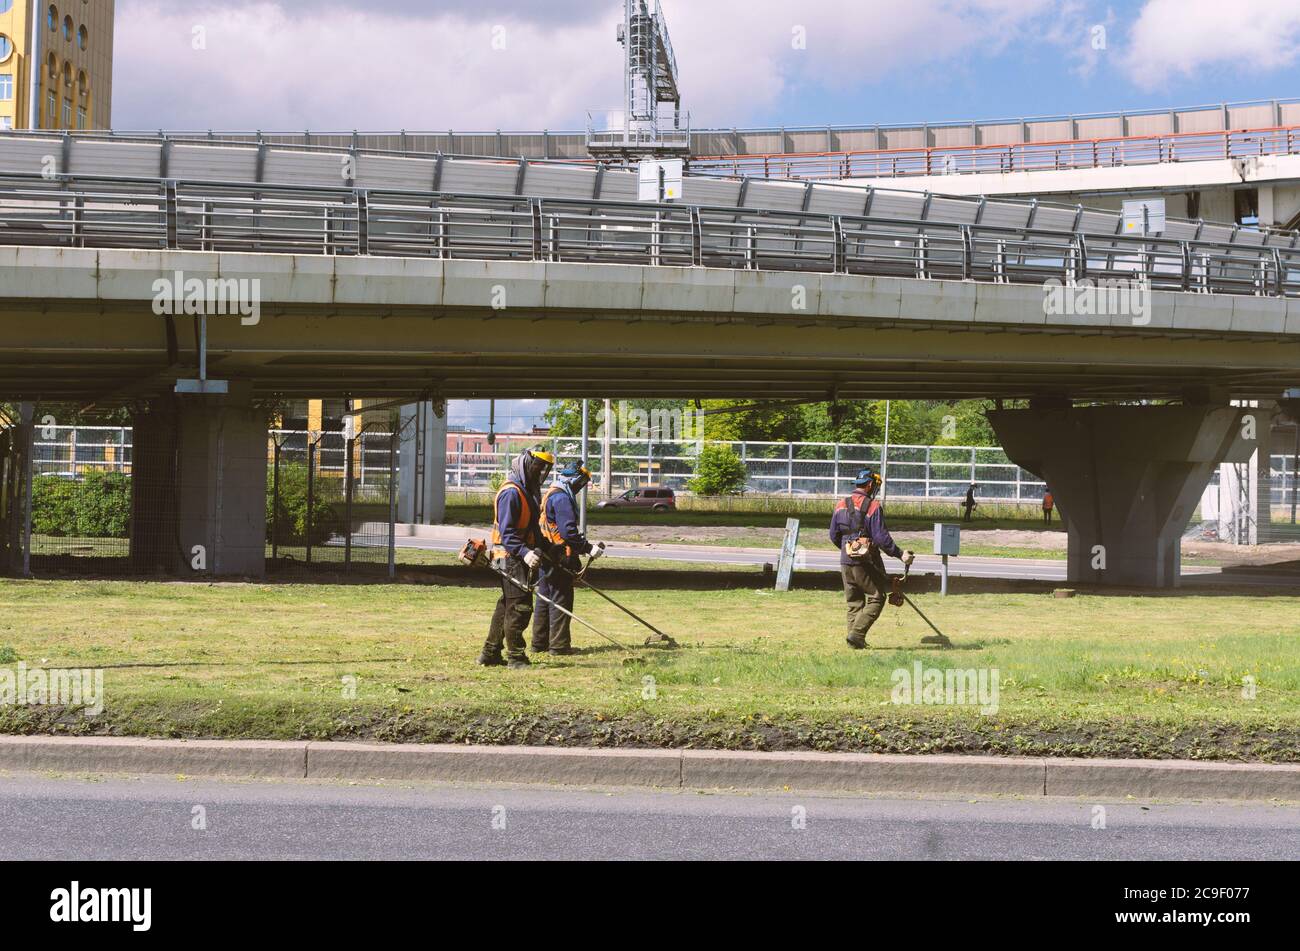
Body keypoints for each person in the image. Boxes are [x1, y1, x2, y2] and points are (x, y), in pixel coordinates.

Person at [478, 448, 555, 670]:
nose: (540, 472)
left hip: (517, 556)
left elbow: (533, 530)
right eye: (537, 467)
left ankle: (490, 653)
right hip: (509, 557)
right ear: (525, 465)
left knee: (507, 605)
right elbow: (508, 533)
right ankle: (516, 658)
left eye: (544, 469)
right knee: (519, 607)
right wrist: (525, 553)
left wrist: (550, 549)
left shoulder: (526, 491)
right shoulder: (511, 493)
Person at [829, 469, 914, 650]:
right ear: (869, 485)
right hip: (865, 562)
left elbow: (833, 535)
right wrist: (900, 554)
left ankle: (854, 642)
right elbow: (882, 538)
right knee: (877, 597)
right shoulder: (873, 506)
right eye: (875, 486)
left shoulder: (840, 504)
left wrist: (848, 549)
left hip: (845, 561)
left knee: (854, 603)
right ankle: (857, 635)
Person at [532, 461, 597, 656]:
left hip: (547, 553)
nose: (580, 487)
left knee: (544, 598)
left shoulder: (551, 493)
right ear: (573, 480)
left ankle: (539, 643)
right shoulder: (562, 498)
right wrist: (588, 548)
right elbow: (568, 532)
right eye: (580, 483)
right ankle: (559, 646)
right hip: (561, 556)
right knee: (561, 599)